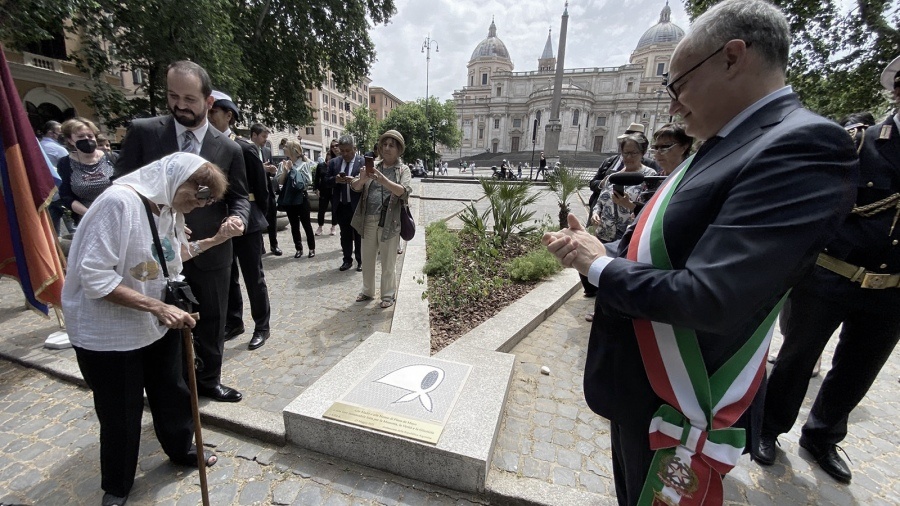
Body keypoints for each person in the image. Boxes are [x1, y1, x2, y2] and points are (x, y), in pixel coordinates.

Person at [542, 1, 857, 503]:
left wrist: (597, 265)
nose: (673, 104)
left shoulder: (802, 145)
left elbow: (712, 295)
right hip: (644, 385)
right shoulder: (725, 140)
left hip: (686, 392)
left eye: (679, 83)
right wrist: (607, 245)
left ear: (732, 57)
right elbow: (670, 237)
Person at [754, 55, 900, 484]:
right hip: (830, 273)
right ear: (897, 90)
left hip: (892, 286)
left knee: (858, 369)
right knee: (797, 359)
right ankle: (768, 428)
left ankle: (822, 436)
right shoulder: (858, 141)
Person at [62, 153, 233, 506]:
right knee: (120, 411)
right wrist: (158, 306)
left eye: (206, 201)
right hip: (111, 334)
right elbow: (95, 276)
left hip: (157, 323)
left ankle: (181, 447)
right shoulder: (118, 203)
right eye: (199, 196)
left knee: (172, 391)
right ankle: (118, 484)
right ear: (178, 178)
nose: (198, 206)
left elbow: (169, 258)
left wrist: (215, 239)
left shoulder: (168, 207)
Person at [115, 60, 250, 404]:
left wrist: (237, 219)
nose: (180, 105)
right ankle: (169, 389)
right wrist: (162, 217)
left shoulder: (230, 148)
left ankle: (208, 380)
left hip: (212, 250)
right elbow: (123, 186)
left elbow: (239, 198)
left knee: (212, 318)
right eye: (173, 96)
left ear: (208, 102)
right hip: (155, 251)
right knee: (164, 320)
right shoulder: (145, 132)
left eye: (190, 99)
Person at [207, 91, 273, 351]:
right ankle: (234, 322)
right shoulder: (207, 146)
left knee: (252, 276)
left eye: (213, 112)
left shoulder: (245, 148)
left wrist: (259, 218)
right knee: (227, 275)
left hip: (247, 221)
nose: (208, 117)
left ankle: (262, 325)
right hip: (217, 220)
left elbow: (262, 188)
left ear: (228, 115)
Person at [350, 130, 412, 308]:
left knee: (388, 260)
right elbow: (354, 186)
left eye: (391, 145)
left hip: (390, 221)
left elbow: (404, 191)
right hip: (368, 219)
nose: (386, 148)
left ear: (399, 149)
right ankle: (368, 291)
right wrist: (361, 180)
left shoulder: (403, 169)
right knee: (367, 258)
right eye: (384, 144)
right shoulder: (372, 166)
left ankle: (388, 294)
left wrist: (383, 180)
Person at [589, 133, 656, 243]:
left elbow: (649, 209)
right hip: (603, 234)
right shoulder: (613, 176)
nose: (628, 157)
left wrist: (628, 204)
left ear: (642, 153)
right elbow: (600, 201)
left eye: (633, 153)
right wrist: (595, 213)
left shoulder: (649, 175)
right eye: (625, 153)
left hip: (628, 237)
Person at [58, 117, 115, 226]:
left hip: (117, 215)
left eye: (90, 136)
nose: (87, 139)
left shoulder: (113, 158)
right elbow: (66, 196)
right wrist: (89, 214)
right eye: (80, 136)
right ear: (70, 140)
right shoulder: (65, 163)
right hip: (88, 220)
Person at [326, 134, 363, 272]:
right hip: (341, 205)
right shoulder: (334, 163)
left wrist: (355, 180)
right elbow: (325, 181)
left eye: (348, 151)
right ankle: (347, 260)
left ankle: (360, 260)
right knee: (345, 234)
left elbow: (369, 183)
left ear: (354, 148)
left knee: (359, 235)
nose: (345, 154)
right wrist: (335, 180)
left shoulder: (362, 162)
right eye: (342, 151)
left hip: (357, 205)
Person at [278, 139, 316, 258]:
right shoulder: (283, 164)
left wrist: (292, 170)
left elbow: (307, 182)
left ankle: (311, 248)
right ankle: (298, 248)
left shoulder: (304, 164)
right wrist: (285, 171)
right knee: (294, 226)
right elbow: (280, 182)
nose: (284, 148)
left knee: (306, 224)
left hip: (302, 198)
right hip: (290, 199)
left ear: (293, 150)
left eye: (286, 146)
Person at [39, 120, 76, 236]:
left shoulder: (38, 146)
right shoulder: (58, 149)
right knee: (74, 227)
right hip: (61, 192)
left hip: (46, 192)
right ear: (51, 133)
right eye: (60, 132)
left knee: (53, 229)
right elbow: (71, 169)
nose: (63, 135)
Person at [249, 124, 281, 256]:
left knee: (272, 219)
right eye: (263, 137)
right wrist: (261, 168)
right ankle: (260, 247)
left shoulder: (267, 151)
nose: (265, 140)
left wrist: (272, 171)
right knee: (257, 221)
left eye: (266, 137)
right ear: (254, 135)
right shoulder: (247, 150)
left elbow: (271, 170)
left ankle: (274, 245)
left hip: (268, 191)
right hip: (253, 193)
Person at [314, 140, 340, 236]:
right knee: (321, 210)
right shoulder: (321, 166)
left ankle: (333, 226)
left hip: (334, 189)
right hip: (324, 190)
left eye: (337, 146)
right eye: (332, 147)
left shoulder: (337, 162)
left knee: (334, 210)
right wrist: (316, 189)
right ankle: (320, 226)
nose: (335, 148)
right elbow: (316, 178)